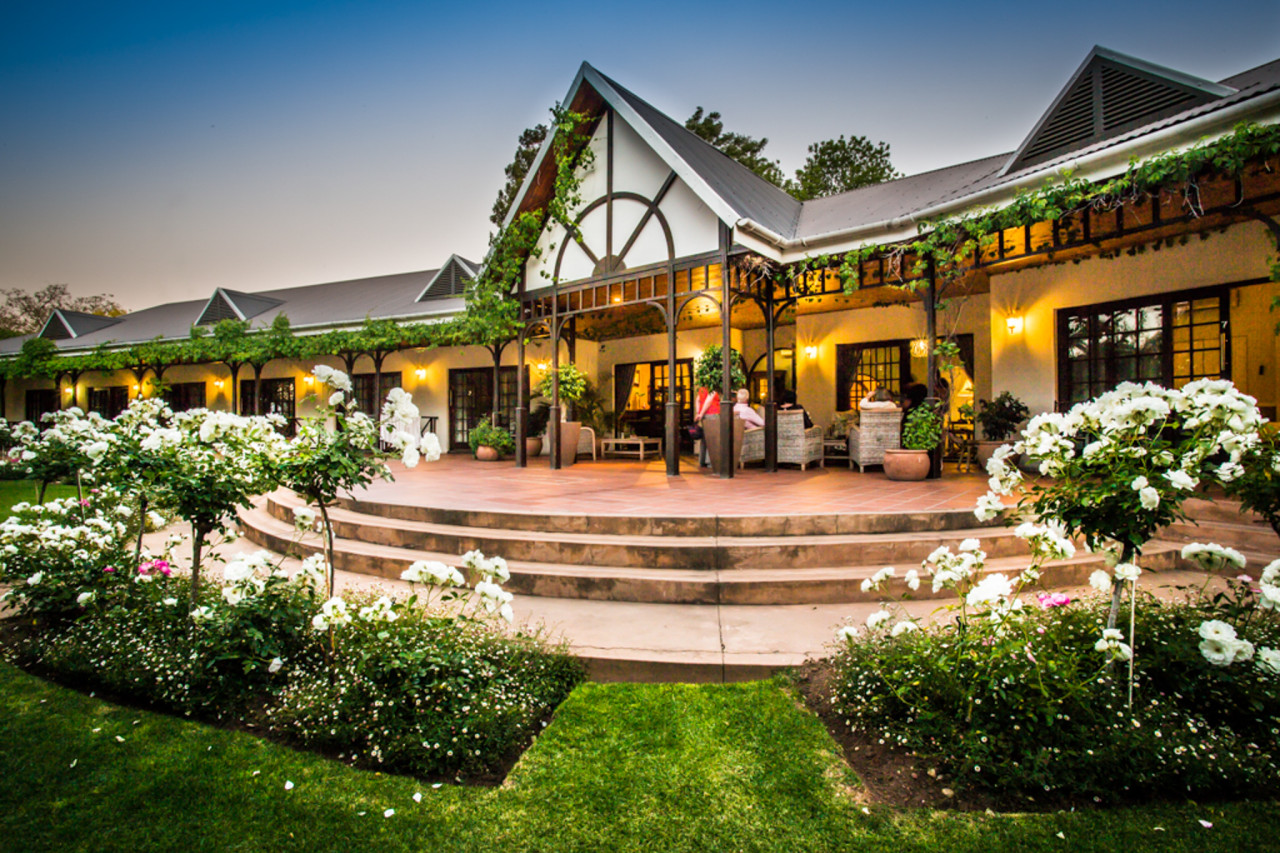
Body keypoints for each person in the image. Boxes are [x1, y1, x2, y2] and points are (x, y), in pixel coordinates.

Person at [694, 384, 720, 467]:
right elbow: (709, 401)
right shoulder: (712, 388)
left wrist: (699, 412)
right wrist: (701, 413)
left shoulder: (701, 388)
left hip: (704, 415)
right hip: (712, 414)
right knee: (712, 438)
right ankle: (710, 462)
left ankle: (702, 460)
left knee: (705, 438)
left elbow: (697, 400)